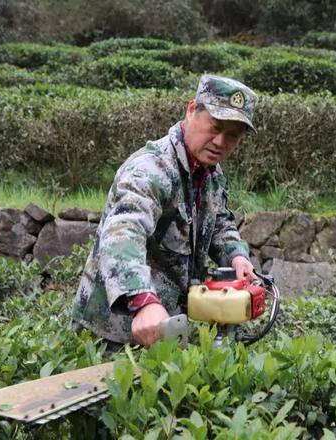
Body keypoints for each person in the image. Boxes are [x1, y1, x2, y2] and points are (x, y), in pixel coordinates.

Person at [71, 75, 258, 348]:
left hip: (168, 328)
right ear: (192, 110)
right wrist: (141, 299)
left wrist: (237, 256)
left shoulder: (211, 174)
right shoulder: (151, 169)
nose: (220, 141)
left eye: (233, 136)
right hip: (112, 332)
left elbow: (219, 223)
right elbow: (123, 231)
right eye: (215, 127)